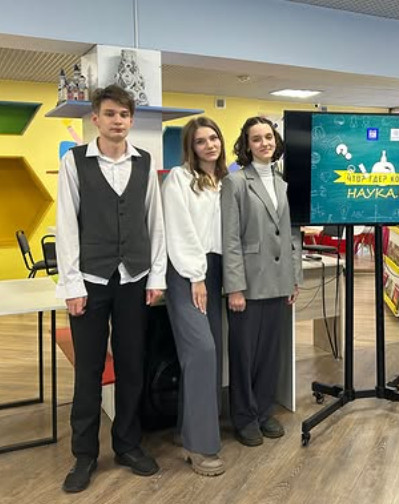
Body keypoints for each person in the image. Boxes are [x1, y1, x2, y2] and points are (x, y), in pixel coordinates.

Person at [55, 85, 166, 493]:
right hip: (91, 281)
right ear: (96, 119)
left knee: (132, 366)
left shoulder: (144, 162)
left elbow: (155, 222)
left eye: (123, 114)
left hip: (134, 280)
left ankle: (127, 444)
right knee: (88, 370)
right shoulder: (74, 161)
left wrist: (156, 276)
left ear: (131, 120)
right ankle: (84, 454)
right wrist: (72, 284)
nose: (117, 120)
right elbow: (66, 224)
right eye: (110, 113)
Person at [222, 116, 302, 447]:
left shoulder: (284, 181)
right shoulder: (236, 182)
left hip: (280, 281)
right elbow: (229, 238)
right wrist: (234, 287)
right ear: (247, 145)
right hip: (249, 283)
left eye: (268, 137)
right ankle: (244, 417)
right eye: (256, 139)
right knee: (244, 355)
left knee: (271, 353)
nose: (264, 143)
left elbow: (293, 233)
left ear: (276, 140)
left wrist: (294, 278)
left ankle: (265, 411)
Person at [161, 117, 228, 476]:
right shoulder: (179, 178)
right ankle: (200, 446)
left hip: (217, 271)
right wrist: (196, 276)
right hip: (188, 271)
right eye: (201, 141)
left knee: (208, 357)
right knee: (202, 351)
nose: (209, 145)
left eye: (213, 138)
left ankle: (188, 429)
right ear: (191, 146)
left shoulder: (226, 181)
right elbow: (180, 230)